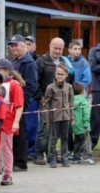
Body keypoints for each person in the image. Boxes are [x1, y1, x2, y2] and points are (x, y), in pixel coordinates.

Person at [34, 37, 74, 165]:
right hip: (46, 102)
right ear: (50, 47)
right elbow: (35, 82)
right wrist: (40, 98)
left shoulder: (65, 62)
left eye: (60, 49)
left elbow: (71, 81)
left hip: (62, 106)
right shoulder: (41, 61)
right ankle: (39, 154)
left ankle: (57, 156)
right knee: (45, 130)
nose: (57, 51)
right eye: (55, 48)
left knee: (61, 134)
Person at [0, 59, 24, 186]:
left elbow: (19, 106)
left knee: (6, 147)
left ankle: (7, 174)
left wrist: (16, 122)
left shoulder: (14, 85)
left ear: (6, 71)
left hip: (8, 120)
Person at [7, 34, 38, 170]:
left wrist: (21, 101)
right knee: (13, 131)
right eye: (11, 45)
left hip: (19, 102)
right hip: (11, 102)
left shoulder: (28, 63)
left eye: (16, 45)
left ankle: (20, 162)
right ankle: (12, 160)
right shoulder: (15, 61)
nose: (13, 48)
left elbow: (31, 85)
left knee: (20, 132)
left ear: (24, 46)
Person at [43, 63, 74, 168]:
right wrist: (46, 119)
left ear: (66, 75)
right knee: (53, 139)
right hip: (54, 117)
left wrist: (71, 117)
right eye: (57, 74)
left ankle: (64, 158)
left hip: (65, 117)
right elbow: (46, 104)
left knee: (65, 138)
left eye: (62, 74)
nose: (59, 76)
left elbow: (71, 103)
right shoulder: (50, 88)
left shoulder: (69, 87)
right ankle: (52, 159)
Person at [71, 82, 95, 165]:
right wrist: (87, 123)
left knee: (77, 141)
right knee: (87, 141)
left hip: (74, 125)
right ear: (82, 91)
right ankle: (88, 156)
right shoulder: (83, 101)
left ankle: (76, 157)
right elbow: (85, 113)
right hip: (83, 126)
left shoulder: (71, 100)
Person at [88, 41, 100, 150]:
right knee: (96, 117)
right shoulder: (94, 50)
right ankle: (92, 142)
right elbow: (92, 67)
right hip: (98, 89)